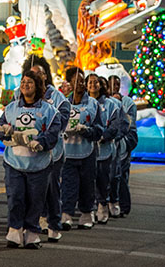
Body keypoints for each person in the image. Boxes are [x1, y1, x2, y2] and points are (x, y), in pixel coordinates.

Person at [0, 69, 61, 249]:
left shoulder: (49, 111)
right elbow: (0, 126)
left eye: (30, 82)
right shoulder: (11, 108)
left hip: (39, 165)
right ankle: (14, 230)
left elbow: (54, 132)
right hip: (14, 163)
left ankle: (32, 232)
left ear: (38, 86)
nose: (25, 85)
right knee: (15, 197)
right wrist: (4, 130)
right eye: (23, 82)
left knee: (36, 200)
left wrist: (40, 142)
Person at [22, 54, 71, 243]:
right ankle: (38, 219)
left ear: (46, 76)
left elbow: (61, 121)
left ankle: (53, 223)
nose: (35, 78)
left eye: (39, 74)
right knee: (33, 190)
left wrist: (45, 137)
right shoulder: (25, 96)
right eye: (31, 75)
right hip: (30, 153)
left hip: (53, 152)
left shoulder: (57, 98)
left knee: (51, 189)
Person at [60, 66, 103, 230]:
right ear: (70, 83)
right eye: (76, 81)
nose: (80, 84)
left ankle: (86, 213)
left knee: (87, 184)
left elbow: (99, 129)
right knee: (68, 185)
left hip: (87, 153)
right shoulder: (63, 104)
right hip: (68, 153)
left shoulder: (93, 104)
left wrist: (86, 130)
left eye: (82, 80)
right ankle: (67, 213)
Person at [87, 72, 123, 224]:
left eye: (96, 82)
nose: (92, 85)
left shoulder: (111, 105)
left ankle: (103, 204)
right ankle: (90, 208)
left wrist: (103, 136)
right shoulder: (83, 103)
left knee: (103, 178)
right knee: (89, 181)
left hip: (104, 150)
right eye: (89, 82)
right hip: (86, 150)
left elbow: (116, 126)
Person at [108, 74, 137, 218]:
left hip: (122, 144)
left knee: (120, 176)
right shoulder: (104, 101)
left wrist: (122, 141)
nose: (114, 87)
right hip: (108, 144)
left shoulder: (128, 103)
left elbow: (128, 125)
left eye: (117, 84)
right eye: (111, 84)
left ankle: (123, 205)